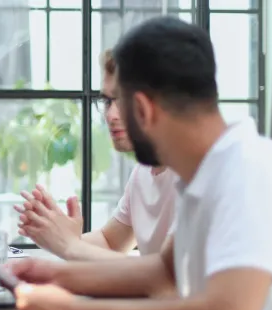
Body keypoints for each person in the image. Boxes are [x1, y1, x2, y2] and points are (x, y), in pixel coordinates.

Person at [10, 16, 272, 310]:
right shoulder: (205, 172)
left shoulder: (248, 171)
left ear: (143, 109)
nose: (111, 115)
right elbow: (162, 271)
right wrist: (54, 274)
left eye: (117, 101)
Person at [16, 49, 176, 260]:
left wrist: (70, 245)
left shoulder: (194, 174)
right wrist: (56, 235)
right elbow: (110, 242)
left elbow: (163, 276)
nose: (111, 115)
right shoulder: (142, 173)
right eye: (108, 102)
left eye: (123, 100)